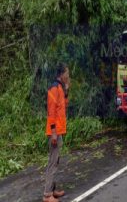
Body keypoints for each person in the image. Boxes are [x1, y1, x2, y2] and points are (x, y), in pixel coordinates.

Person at [43, 63, 70, 202]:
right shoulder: (54, 88)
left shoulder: (60, 87)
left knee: (56, 160)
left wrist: (66, 91)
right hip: (54, 131)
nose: (68, 76)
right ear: (61, 74)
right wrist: (53, 132)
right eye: (67, 73)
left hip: (59, 130)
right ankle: (47, 195)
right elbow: (51, 111)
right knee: (53, 162)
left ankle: (52, 190)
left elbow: (64, 106)